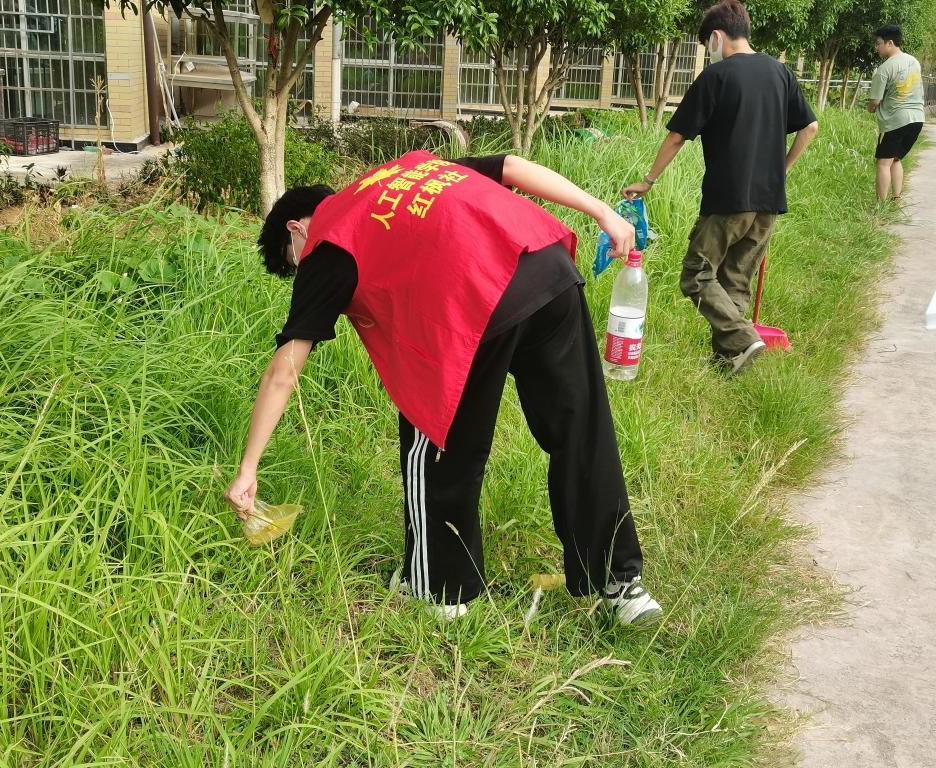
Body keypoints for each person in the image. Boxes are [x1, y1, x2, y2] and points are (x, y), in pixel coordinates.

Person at [223, 150, 664, 626]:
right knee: (582, 429)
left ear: (296, 228)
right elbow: (512, 167)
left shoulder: (328, 240)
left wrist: (247, 470)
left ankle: (440, 589)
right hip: (547, 269)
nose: (302, 268)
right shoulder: (409, 169)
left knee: (433, 441)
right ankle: (623, 585)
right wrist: (602, 212)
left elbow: (283, 371)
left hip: (476, 300)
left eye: (293, 261)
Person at [623, 0, 818, 374]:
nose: (707, 51)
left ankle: (744, 339)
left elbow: (677, 136)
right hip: (769, 200)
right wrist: (782, 170)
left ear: (716, 37)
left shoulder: (715, 77)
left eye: (705, 45)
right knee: (735, 282)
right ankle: (729, 361)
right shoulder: (780, 72)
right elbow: (809, 127)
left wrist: (648, 180)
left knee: (696, 275)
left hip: (729, 198)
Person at [869, 24, 926, 202]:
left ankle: (881, 205)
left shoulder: (884, 68)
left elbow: (875, 101)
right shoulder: (914, 61)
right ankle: (896, 198)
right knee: (895, 159)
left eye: (879, 43)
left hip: (896, 121)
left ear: (890, 43)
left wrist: (870, 108)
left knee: (883, 163)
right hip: (917, 119)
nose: (877, 47)